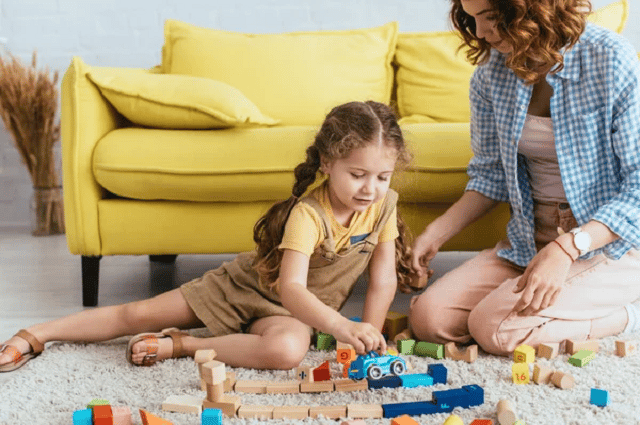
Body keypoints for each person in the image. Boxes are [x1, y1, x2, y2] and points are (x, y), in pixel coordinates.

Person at [0, 101, 417, 372]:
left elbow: (383, 279)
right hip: (244, 289)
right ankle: (37, 333)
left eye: (381, 176)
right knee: (137, 316)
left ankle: (181, 346)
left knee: (287, 352)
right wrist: (341, 324)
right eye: (358, 175)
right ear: (327, 163)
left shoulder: (384, 205)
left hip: (294, 316)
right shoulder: (308, 214)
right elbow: (291, 287)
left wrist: (370, 337)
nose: (370, 189)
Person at [409, 0, 640, 356]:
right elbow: (491, 176)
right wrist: (434, 234)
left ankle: (626, 315)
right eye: (472, 19)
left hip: (608, 243)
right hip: (532, 240)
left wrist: (568, 247)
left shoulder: (610, 59)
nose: (481, 32)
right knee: (429, 319)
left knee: (494, 329)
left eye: (489, 17)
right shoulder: (491, 74)